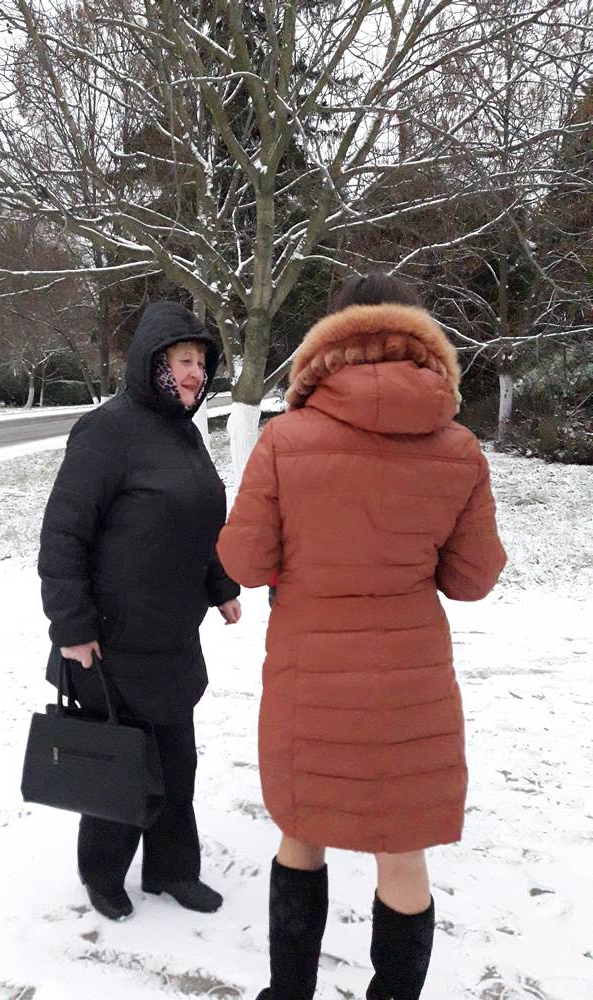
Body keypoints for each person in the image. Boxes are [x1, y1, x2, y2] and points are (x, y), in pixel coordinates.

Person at [217, 274, 506, 1000]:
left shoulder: (285, 440)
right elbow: (473, 579)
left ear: (331, 339)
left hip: (311, 679)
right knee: (402, 854)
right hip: (411, 690)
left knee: (301, 834)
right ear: (422, 340)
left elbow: (244, 561)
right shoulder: (459, 449)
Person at [38, 300, 241, 922]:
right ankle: (102, 874)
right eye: (184, 361)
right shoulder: (106, 431)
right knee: (121, 764)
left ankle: (173, 871)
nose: (195, 373)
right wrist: (72, 627)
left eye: (202, 363)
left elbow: (197, 524)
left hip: (173, 637)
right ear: (153, 363)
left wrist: (221, 585)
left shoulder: (185, 434)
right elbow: (64, 534)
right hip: (113, 640)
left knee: (177, 762)